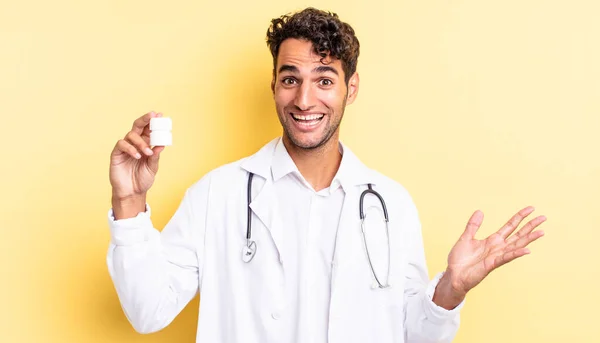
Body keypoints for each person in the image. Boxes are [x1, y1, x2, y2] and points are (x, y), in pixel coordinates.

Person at [107, 7, 545, 343]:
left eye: (324, 80)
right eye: (290, 78)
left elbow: (415, 334)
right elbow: (149, 312)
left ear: (350, 89)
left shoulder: (391, 204)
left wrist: (450, 289)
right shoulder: (217, 195)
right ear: (273, 85)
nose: (304, 99)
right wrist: (128, 202)